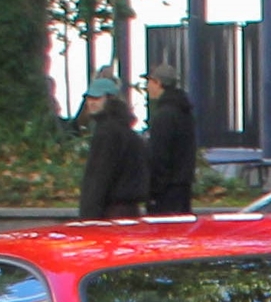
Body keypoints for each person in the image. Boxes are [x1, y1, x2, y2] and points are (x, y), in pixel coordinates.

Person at [77, 75, 150, 220]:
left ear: (109, 99)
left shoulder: (107, 132)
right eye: (90, 98)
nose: (91, 103)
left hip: (111, 211)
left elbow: (99, 175)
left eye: (97, 98)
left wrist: (88, 216)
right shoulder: (124, 129)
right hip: (128, 208)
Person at [145, 66, 198, 215]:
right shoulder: (184, 111)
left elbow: (158, 155)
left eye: (150, 82)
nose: (147, 87)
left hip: (165, 193)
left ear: (158, 83)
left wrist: (153, 191)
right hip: (182, 188)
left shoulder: (164, 115)